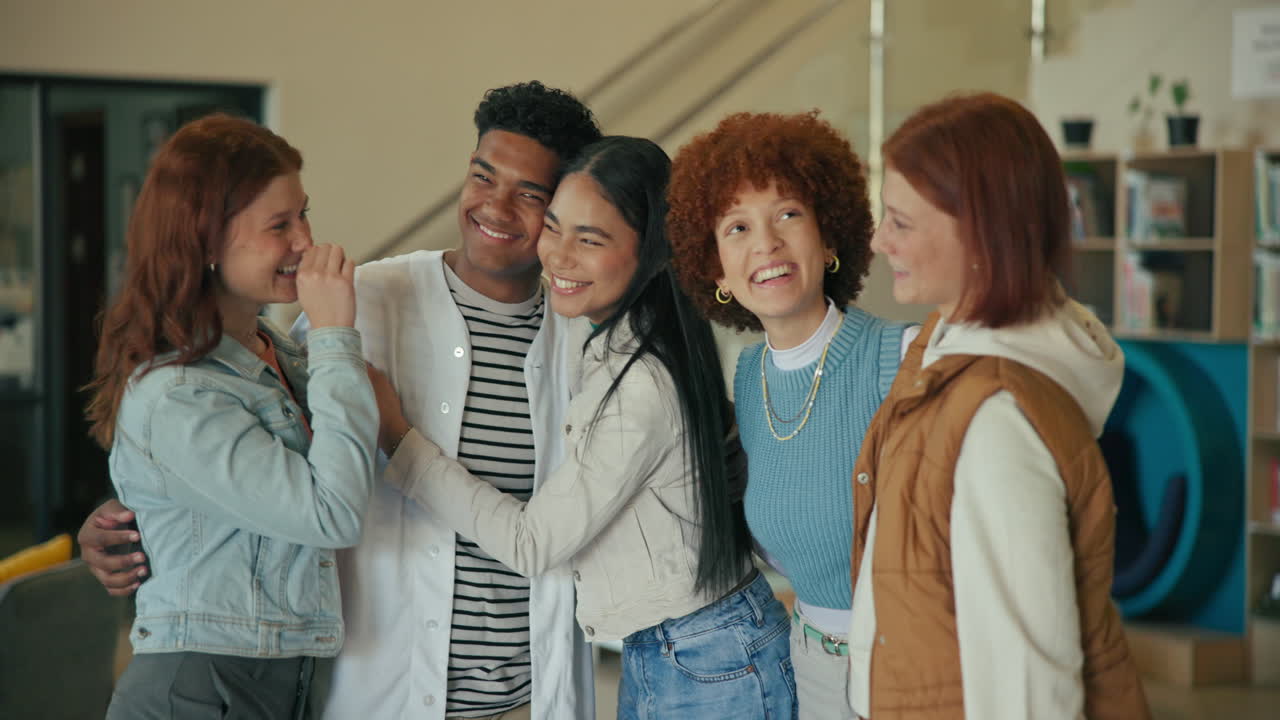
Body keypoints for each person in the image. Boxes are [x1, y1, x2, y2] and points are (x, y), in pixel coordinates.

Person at [78, 81, 602, 720]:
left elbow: (259, 451)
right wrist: (134, 511)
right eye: (482, 177)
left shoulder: (589, 343)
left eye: (530, 193)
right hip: (365, 692)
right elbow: (276, 474)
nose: (496, 207)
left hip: (519, 696)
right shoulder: (363, 306)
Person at [369, 135, 795, 720]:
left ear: (651, 252)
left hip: (708, 660)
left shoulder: (642, 382)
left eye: (590, 239)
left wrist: (398, 438)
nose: (559, 256)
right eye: (554, 227)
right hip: (679, 651)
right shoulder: (623, 345)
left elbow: (532, 543)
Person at [845, 92, 1150, 719]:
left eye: (901, 222)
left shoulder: (997, 424)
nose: (879, 242)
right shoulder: (941, 353)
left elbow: (1029, 687)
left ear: (982, 232)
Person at [83, 113, 378, 718]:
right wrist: (335, 334)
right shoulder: (175, 392)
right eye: (279, 225)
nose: (306, 240)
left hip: (279, 682)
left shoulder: (281, 355)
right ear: (208, 241)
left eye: (304, 213)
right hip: (198, 690)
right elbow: (332, 512)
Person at [665, 110, 914, 720]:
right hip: (808, 660)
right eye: (737, 227)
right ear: (716, 269)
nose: (766, 244)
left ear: (830, 237)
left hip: (906, 663)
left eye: (788, 214)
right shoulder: (749, 379)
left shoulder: (902, 357)